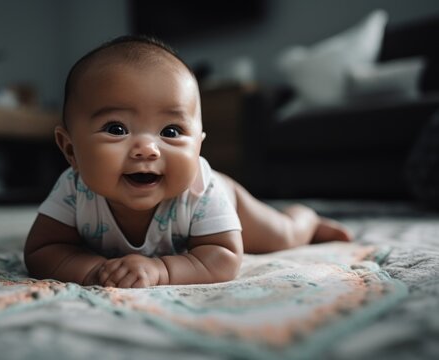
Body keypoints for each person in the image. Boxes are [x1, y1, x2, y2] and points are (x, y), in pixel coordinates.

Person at [24, 35, 351, 288]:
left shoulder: (202, 191)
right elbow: (42, 251)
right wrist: (93, 270)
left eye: (171, 130)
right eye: (117, 128)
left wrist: (161, 269)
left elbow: (223, 258)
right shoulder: (73, 188)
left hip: (229, 201)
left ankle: (304, 219)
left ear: (197, 148)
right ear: (70, 151)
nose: (148, 149)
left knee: (281, 237)